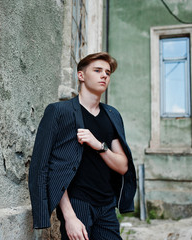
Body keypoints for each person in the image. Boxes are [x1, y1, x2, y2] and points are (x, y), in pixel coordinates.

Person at [28, 52, 136, 240]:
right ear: (81, 75)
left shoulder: (112, 115)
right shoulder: (59, 112)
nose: (104, 75)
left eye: (108, 73)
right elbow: (45, 165)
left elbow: (122, 165)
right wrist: (69, 217)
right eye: (97, 70)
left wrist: (98, 145)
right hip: (78, 204)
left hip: (106, 206)